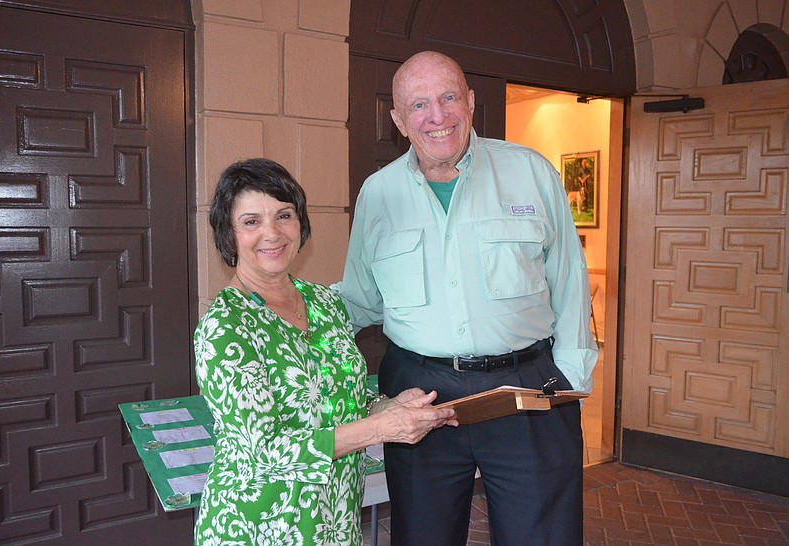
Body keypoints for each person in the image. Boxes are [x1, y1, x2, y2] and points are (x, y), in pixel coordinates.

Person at [334, 51, 599, 545]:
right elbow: (361, 299)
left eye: (448, 97)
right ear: (398, 120)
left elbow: (569, 279)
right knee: (423, 537)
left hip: (529, 390)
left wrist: (570, 375)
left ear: (471, 102)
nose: (437, 116)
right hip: (420, 394)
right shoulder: (378, 193)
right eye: (419, 105)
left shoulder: (530, 172)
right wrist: (278, 307)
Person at [193, 158, 457, 546]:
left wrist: (389, 407)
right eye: (251, 221)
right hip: (259, 524)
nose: (272, 233)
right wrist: (381, 430)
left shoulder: (324, 302)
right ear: (229, 235)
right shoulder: (225, 326)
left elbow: (335, 398)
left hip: (334, 519)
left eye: (284, 215)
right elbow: (265, 451)